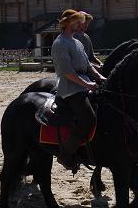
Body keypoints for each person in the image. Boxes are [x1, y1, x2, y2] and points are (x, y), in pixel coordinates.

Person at [51, 9, 107, 170]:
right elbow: (67, 72)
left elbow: (88, 65)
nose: (81, 24)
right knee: (88, 117)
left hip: (83, 83)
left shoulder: (77, 42)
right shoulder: (60, 43)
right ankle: (66, 154)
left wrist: (99, 77)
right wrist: (88, 85)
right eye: (78, 21)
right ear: (69, 23)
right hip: (69, 89)